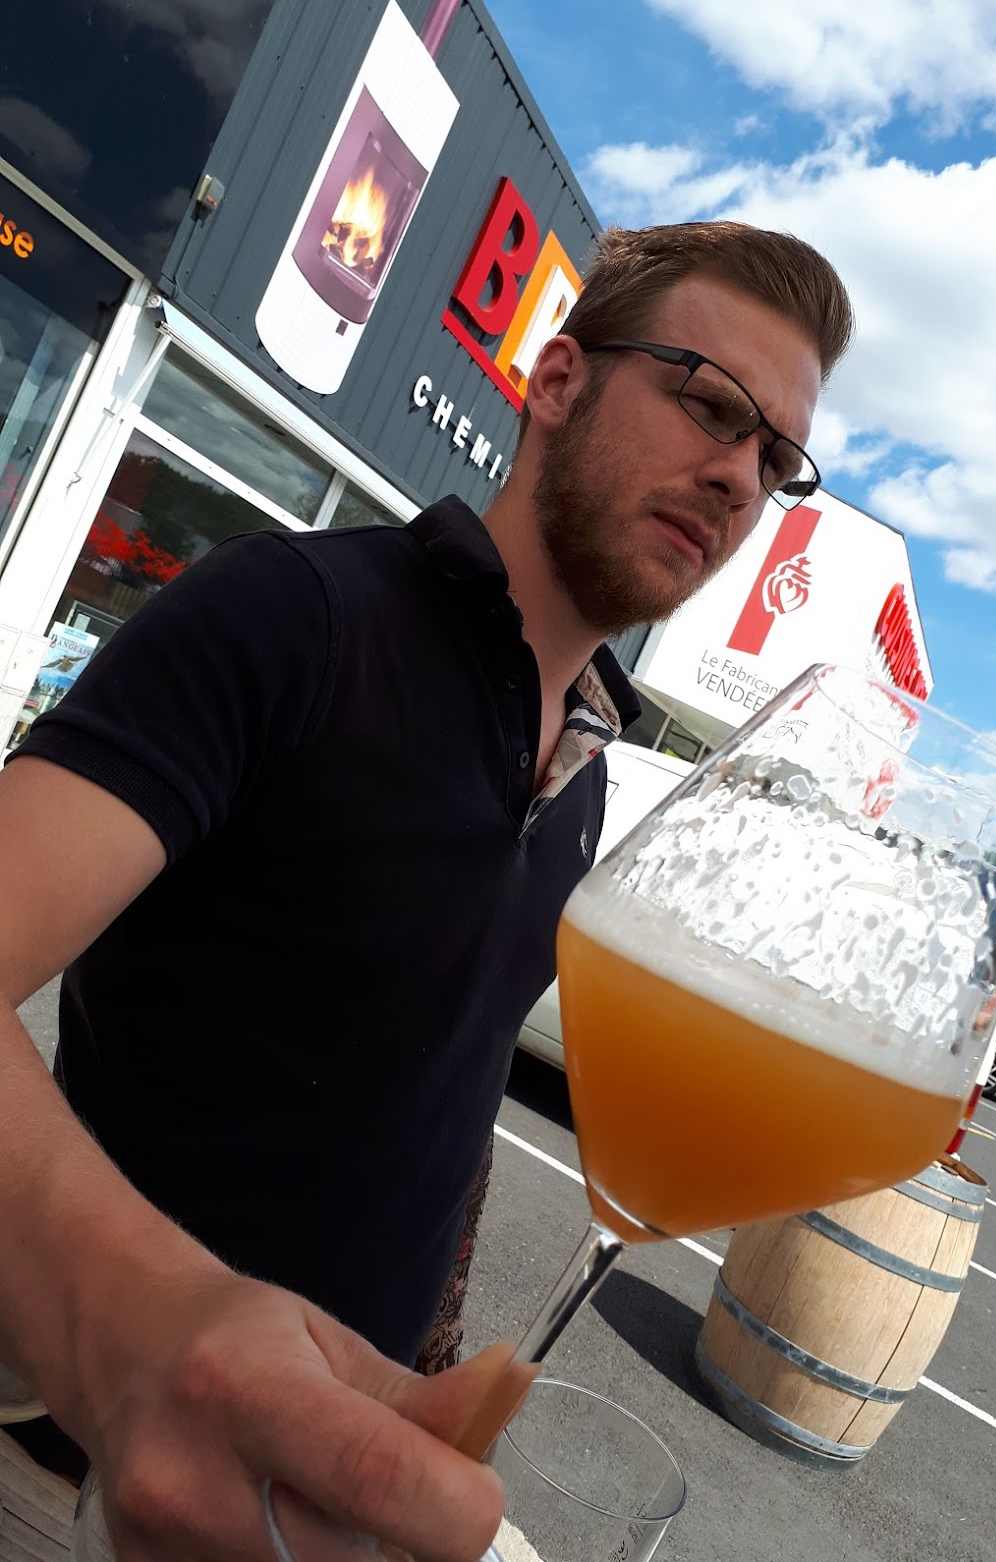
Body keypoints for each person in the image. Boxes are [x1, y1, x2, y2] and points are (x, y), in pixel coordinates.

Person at [0, 220, 853, 1560]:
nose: (741, 476)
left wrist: (434, 1359)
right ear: (558, 380)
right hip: (69, 1465)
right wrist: (133, 1323)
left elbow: (441, 1097)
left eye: (779, 462)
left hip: (337, 1496)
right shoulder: (294, 619)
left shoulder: (584, 784)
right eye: (710, 404)